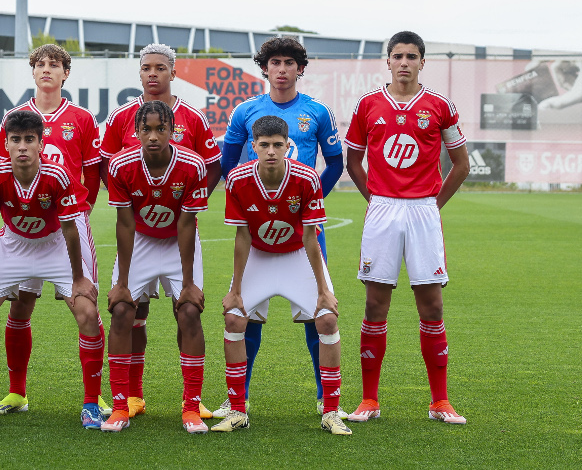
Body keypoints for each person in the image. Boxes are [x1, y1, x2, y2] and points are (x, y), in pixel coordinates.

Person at [215, 37, 345, 418]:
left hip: (303, 227)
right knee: (246, 312)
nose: (283, 68)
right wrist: (250, 201)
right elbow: (227, 160)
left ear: (300, 68)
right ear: (265, 68)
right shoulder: (245, 111)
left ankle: (326, 397)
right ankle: (239, 399)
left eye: (290, 62)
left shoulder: (317, 111)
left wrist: (311, 201)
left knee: (316, 311)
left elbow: (335, 162)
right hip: (259, 227)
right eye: (275, 62)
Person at [344, 31, 469, 424]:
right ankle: (369, 400)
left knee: (431, 304)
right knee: (374, 304)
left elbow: (461, 164)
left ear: (421, 62)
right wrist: (377, 200)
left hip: (423, 213)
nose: (404, 62)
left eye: (411, 56)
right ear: (387, 61)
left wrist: (433, 205)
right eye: (397, 55)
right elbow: (353, 162)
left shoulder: (440, 106)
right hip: (382, 210)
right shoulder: (368, 105)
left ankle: (439, 401)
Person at [0, 110, 103, 430]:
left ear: (40, 143)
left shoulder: (57, 176)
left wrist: (78, 279)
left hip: (55, 249)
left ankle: (91, 404)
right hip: (15, 249)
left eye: (29, 140)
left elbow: (70, 230)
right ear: (5, 144)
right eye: (16, 140)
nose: (22, 146)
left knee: (88, 313)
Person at [98, 43, 221, 419]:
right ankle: (131, 396)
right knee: (131, 312)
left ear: (172, 71)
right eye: (146, 68)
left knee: (187, 309)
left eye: (160, 68)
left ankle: (191, 401)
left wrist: (190, 199)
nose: (153, 74)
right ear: (139, 73)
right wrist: (131, 198)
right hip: (138, 229)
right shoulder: (121, 117)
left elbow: (211, 165)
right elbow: (107, 166)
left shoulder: (193, 118)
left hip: (178, 226)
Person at [0, 44, 108, 416]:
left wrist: (78, 212)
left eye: (54, 65)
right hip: (21, 228)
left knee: (84, 306)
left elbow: (92, 173)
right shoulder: (13, 116)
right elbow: (0, 173)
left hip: (65, 228)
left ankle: (94, 397)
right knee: (20, 307)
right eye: (40, 65)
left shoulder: (82, 118)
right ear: (33, 72)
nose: (46, 70)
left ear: (65, 73)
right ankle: (16, 392)